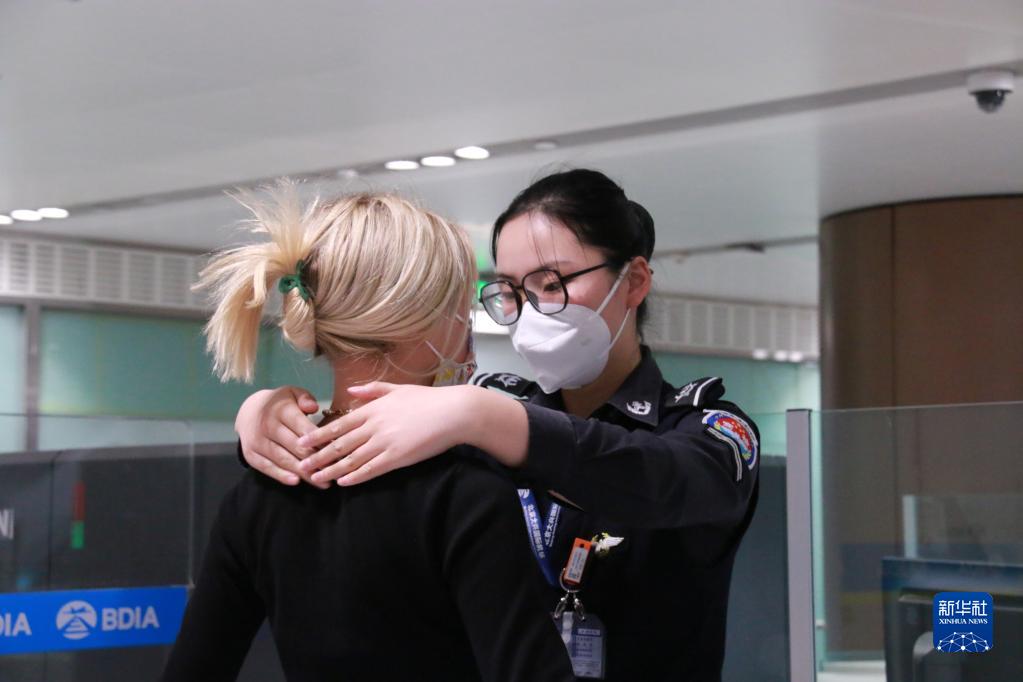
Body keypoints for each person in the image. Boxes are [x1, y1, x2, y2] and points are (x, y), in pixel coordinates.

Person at [236, 169, 760, 681]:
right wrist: (271, 415)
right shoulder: (487, 404)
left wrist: (482, 417)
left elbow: (657, 481)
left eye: (551, 283)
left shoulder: (706, 428)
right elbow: (369, 440)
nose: (530, 311)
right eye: (511, 291)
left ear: (634, 281)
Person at [161, 186, 574, 682]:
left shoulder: (258, 495)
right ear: (416, 321)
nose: (465, 327)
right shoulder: (465, 493)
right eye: (457, 307)